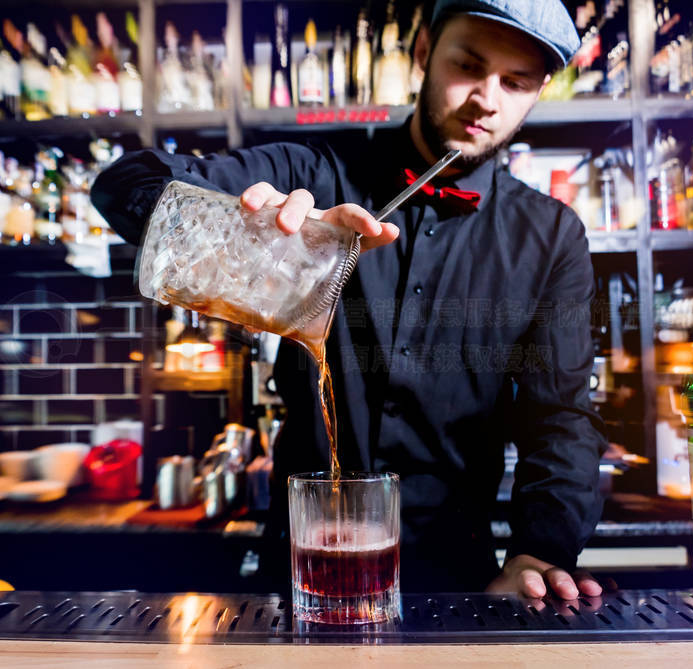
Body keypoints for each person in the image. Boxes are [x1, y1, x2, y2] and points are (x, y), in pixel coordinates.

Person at [92, 0, 607, 600]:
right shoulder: (311, 172)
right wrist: (243, 233)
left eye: (515, 82)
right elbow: (125, 184)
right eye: (469, 65)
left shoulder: (551, 236)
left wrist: (539, 550)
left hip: (459, 583)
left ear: (538, 92)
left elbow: (562, 416)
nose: (487, 99)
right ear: (423, 51)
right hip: (302, 574)